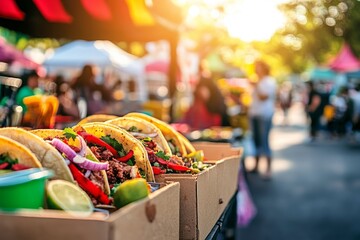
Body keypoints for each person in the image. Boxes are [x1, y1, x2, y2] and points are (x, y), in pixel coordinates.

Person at [247, 60, 277, 180]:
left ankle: (268, 169)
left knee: (264, 141)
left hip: (264, 115)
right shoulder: (258, 81)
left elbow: (264, 97)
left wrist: (256, 86)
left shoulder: (268, 81)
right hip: (255, 114)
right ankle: (256, 166)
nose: (255, 69)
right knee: (256, 141)